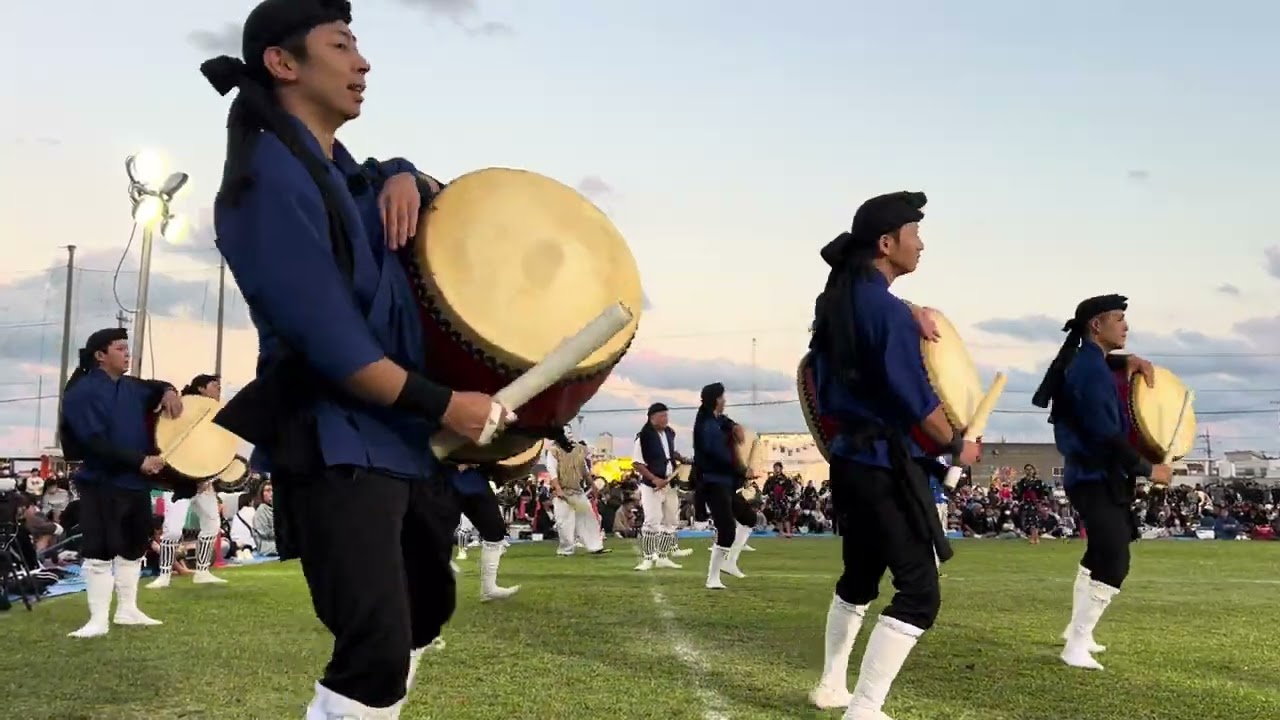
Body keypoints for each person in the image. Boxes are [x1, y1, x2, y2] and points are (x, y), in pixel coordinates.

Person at [200, 2, 509, 715]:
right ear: (283, 64)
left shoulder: (344, 172)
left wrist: (404, 172)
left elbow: (414, 186)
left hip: (399, 438)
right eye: (341, 46)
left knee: (426, 612)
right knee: (372, 647)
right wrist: (448, 405)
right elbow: (333, 347)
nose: (362, 63)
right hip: (336, 437)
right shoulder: (263, 184)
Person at [805, 191, 982, 717]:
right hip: (885, 467)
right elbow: (918, 404)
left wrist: (912, 310)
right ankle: (865, 707)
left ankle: (831, 686)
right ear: (887, 243)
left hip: (851, 465)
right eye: (915, 234)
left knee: (859, 579)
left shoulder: (840, 300)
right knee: (919, 593)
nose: (921, 245)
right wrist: (956, 443)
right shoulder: (884, 312)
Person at [1030, 294, 1167, 671]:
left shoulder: (1092, 362)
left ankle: (1078, 634)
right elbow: (1105, 433)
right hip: (1093, 476)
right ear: (1097, 325)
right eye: (1119, 319)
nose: (1126, 326)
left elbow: (1104, 365)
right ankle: (1075, 644)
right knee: (1114, 559)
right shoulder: (1089, 370)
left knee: (1099, 555)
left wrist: (1128, 360)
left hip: (1095, 475)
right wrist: (1147, 468)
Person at [58, 327, 183, 638]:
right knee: (99, 551)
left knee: (133, 548)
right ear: (101, 355)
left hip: (135, 483)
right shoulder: (82, 392)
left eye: (128, 348)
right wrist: (140, 461)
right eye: (120, 348)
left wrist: (169, 391)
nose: (128, 353)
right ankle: (97, 619)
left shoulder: (131, 386)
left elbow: (157, 387)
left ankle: (128, 610)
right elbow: (92, 442)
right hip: (101, 482)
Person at [149, 374, 227, 589]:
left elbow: (218, 451)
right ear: (201, 389)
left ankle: (202, 570)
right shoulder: (180, 409)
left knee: (212, 525)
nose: (219, 390)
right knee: (173, 529)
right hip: (178, 480)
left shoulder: (216, 415)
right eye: (215, 386)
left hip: (203, 481)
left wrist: (210, 477)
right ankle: (164, 573)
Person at [691, 383, 756, 590]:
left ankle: (730, 562)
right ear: (715, 400)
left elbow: (731, 427)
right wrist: (741, 470)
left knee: (748, 518)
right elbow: (718, 455)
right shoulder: (706, 424)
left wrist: (736, 427)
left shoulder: (718, 420)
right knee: (726, 528)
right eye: (722, 397)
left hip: (726, 482)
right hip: (712, 482)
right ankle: (712, 578)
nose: (725, 400)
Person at [447, 463, 519, 601]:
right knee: (435, 528)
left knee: (495, 532)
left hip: (475, 481)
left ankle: (489, 588)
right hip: (444, 477)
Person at [631, 402, 689, 571]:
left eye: (667, 415)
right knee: (652, 521)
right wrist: (654, 479)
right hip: (651, 485)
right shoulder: (643, 436)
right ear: (652, 418)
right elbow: (637, 463)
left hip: (669, 483)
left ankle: (663, 556)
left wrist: (680, 459)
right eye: (662, 416)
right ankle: (648, 558)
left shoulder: (670, 434)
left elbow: (669, 454)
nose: (666, 419)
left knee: (671, 521)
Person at [545, 427, 610, 556]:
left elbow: (584, 469)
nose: (569, 435)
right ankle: (566, 550)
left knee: (588, 517)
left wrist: (593, 485)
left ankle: (595, 546)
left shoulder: (579, 449)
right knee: (564, 522)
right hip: (562, 492)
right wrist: (558, 489)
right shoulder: (553, 451)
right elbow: (552, 471)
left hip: (577, 491)